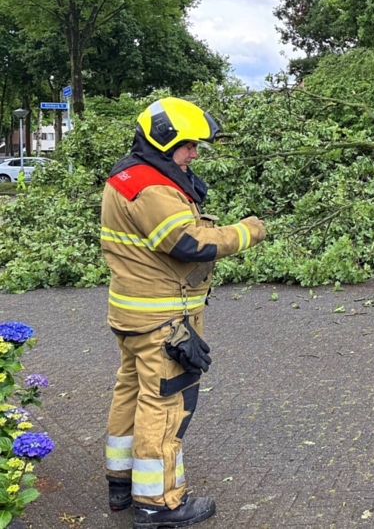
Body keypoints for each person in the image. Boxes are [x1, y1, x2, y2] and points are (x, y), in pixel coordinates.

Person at [99, 97, 266, 529]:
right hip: (163, 320)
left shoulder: (129, 175)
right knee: (166, 402)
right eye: (189, 145)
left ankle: (122, 481)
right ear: (165, 141)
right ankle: (160, 503)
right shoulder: (153, 188)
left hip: (134, 314)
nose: (194, 153)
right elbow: (188, 243)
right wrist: (247, 232)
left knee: (132, 393)